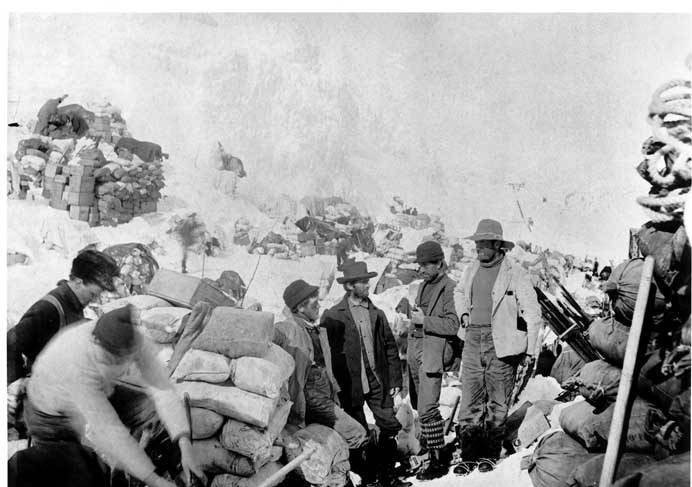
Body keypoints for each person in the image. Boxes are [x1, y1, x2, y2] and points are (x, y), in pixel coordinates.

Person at [8, 305, 207, 487]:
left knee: (150, 411)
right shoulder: (77, 362)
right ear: (97, 342)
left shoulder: (132, 339)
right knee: (80, 469)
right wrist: (154, 480)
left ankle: (161, 475)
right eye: (112, 359)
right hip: (49, 412)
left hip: (102, 389)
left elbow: (162, 389)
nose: (122, 364)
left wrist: (185, 443)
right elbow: (109, 430)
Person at [453, 219, 542, 476]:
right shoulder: (471, 269)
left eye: (482, 243)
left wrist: (530, 350)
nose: (478, 248)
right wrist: (464, 315)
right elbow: (459, 292)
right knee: (470, 398)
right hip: (472, 339)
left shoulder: (515, 272)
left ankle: (490, 454)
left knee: (497, 400)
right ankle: (468, 455)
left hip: (501, 343)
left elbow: (533, 312)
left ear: (496, 244)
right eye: (476, 243)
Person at [7, 250, 120, 432]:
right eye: (92, 294)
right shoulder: (48, 309)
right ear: (77, 282)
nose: (95, 299)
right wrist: (17, 382)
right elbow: (10, 342)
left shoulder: (72, 303)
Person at [321, 262, 409, 487]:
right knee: (358, 433)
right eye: (362, 282)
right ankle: (368, 477)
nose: (368, 285)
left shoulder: (376, 313)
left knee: (389, 426)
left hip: (377, 379)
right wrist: (333, 388)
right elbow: (325, 355)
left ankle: (388, 476)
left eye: (367, 280)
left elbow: (390, 346)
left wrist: (395, 380)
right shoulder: (333, 316)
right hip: (350, 385)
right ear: (350, 285)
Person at [273, 279, 368, 447]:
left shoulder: (316, 329)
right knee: (356, 432)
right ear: (300, 307)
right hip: (309, 396)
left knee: (326, 438)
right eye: (314, 303)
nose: (319, 306)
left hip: (326, 393)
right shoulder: (288, 328)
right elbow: (272, 335)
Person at [406, 241, 461, 480]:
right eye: (419, 265)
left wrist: (424, 321)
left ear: (439, 263)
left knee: (427, 409)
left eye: (424, 265)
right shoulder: (422, 286)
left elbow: (453, 325)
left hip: (432, 355)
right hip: (417, 353)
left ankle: (438, 462)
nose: (420, 270)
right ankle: (430, 451)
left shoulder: (450, 288)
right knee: (420, 407)